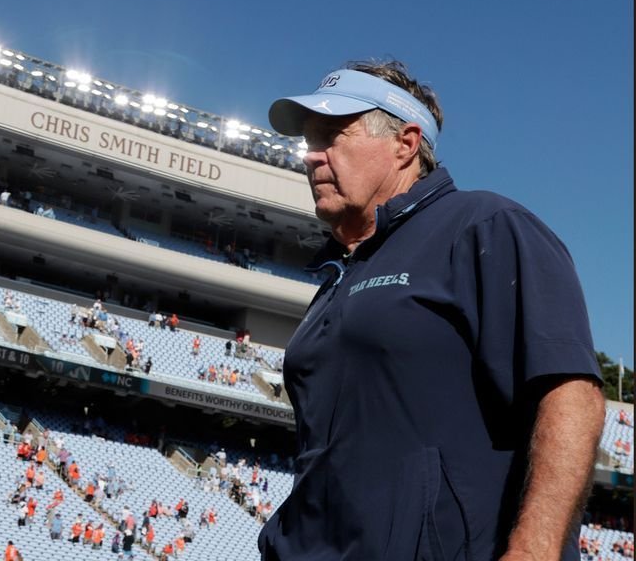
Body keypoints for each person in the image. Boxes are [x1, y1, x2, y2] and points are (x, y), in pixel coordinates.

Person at [258, 60, 605, 560]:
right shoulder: (339, 276)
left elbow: (571, 393)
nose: (312, 156)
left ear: (405, 143)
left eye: (332, 135)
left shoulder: (486, 225)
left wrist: (535, 550)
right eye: (310, 141)